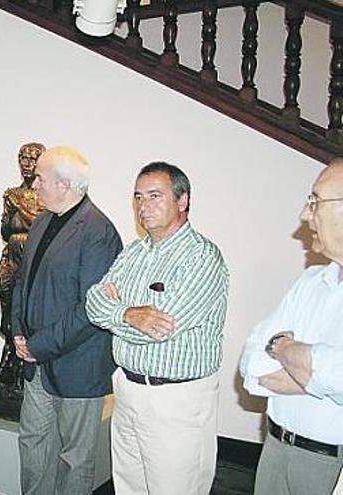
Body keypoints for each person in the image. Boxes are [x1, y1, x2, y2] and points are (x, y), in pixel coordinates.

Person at [85, 162, 229, 495]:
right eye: (138, 197)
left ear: (183, 201)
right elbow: (93, 303)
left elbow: (161, 327)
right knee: (129, 486)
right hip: (127, 390)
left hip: (176, 400)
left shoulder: (201, 257)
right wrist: (128, 315)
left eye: (154, 196)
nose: (143, 206)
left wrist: (117, 312)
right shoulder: (135, 252)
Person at [13, 146, 121, 495]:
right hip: (36, 361)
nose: (34, 185)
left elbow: (91, 309)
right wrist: (17, 330)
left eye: (41, 179)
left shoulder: (98, 232)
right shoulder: (42, 221)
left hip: (77, 366)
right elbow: (22, 281)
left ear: (63, 184)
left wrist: (37, 345)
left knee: (75, 457)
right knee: (33, 443)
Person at [240, 160, 343, 495]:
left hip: (329, 466)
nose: (303, 214)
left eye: (314, 202)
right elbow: (252, 362)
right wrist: (313, 371)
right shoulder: (312, 280)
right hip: (274, 447)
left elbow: (338, 374)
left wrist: (283, 348)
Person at [0, 142, 45, 387]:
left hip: (35, 262)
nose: (26, 164)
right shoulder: (12, 194)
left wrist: (20, 212)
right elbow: (5, 230)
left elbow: (41, 226)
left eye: (32, 159)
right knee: (8, 311)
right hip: (12, 257)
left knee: (31, 316)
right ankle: (9, 366)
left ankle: (27, 371)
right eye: (22, 158)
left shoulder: (46, 195)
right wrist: (12, 210)